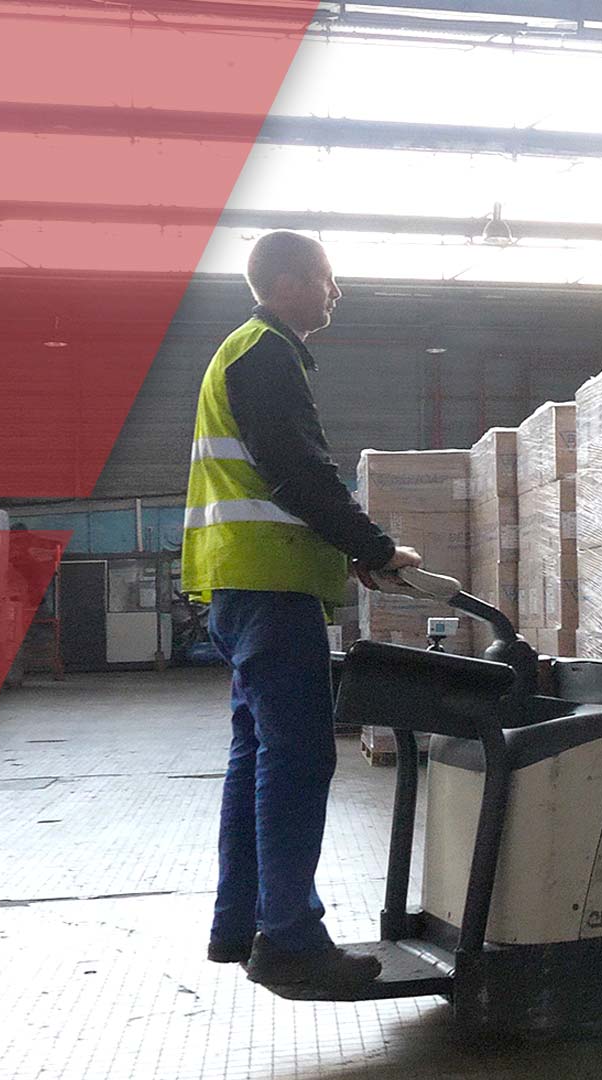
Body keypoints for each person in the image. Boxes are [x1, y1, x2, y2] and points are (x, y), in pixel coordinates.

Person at [181, 230, 421, 1000]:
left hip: (246, 586)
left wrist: (349, 552)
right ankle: (289, 938)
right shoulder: (266, 352)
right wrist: (373, 545)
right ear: (287, 283)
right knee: (299, 757)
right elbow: (297, 471)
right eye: (325, 278)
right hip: (271, 589)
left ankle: (242, 924)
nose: (335, 292)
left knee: (258, 754)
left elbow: (275, 478)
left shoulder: (247, 351)